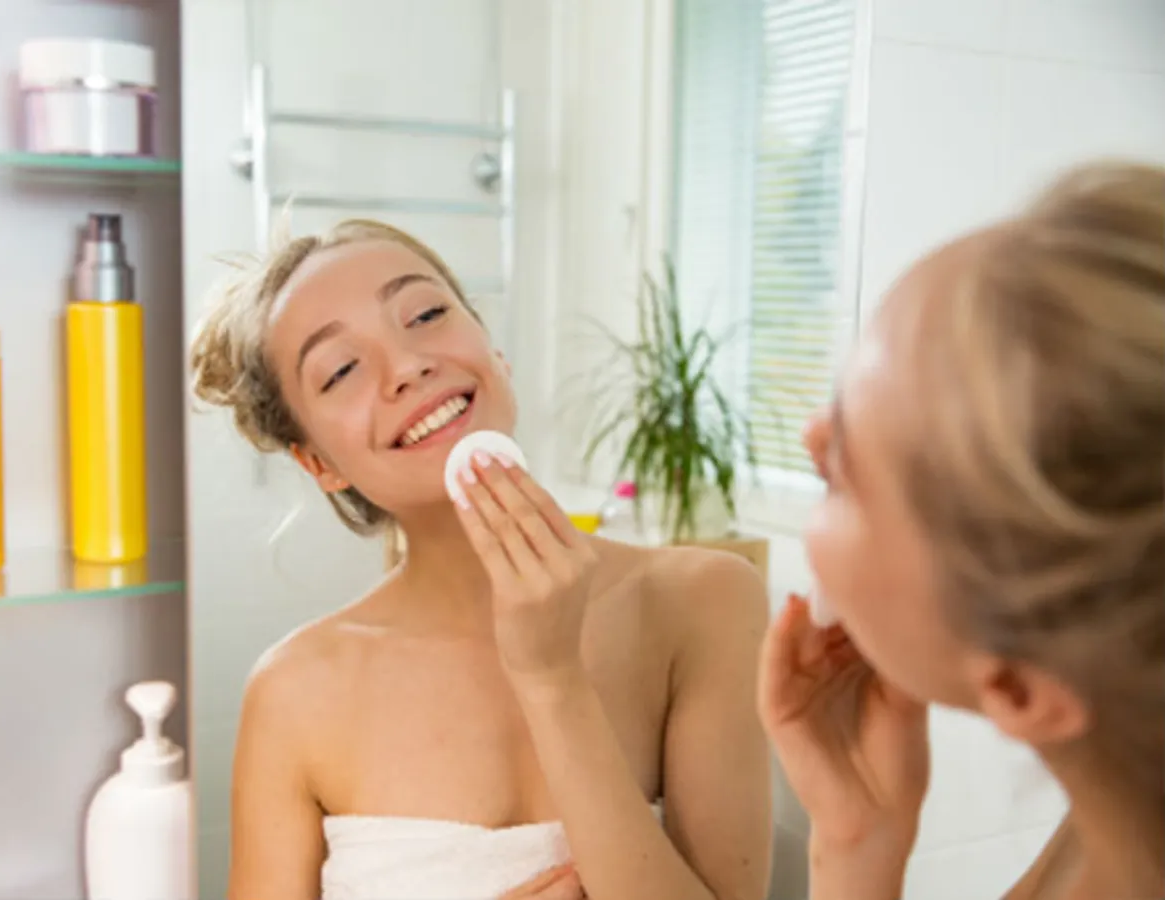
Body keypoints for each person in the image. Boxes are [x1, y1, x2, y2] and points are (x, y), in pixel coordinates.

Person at [190, 219, 772, 900]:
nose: (407, 366)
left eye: (426, 315)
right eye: (342, 369)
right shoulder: (292, 690)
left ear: (494, 350)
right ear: (318, 463)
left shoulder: (706, 602)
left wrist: (552, 678)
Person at [759, 161, 1165, 900]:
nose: (810, 433)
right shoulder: (1115, 822)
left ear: (1016, 686)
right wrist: (856, 842)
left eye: (842, 475)